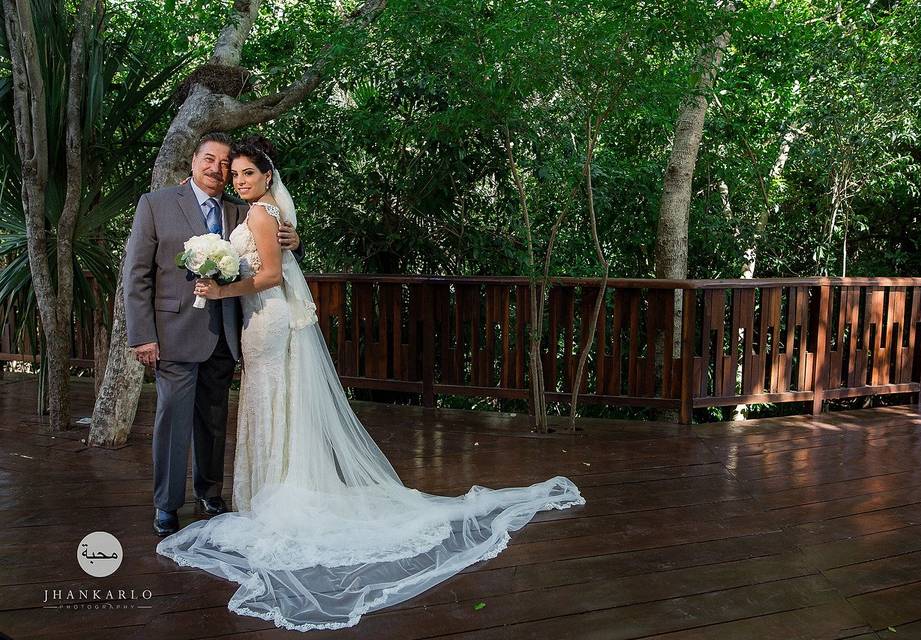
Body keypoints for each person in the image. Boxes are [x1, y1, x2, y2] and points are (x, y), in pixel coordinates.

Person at [156, 136, 585, 631]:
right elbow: (275, 251)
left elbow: (271, 274)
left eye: (247, 173)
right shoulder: (263, 213)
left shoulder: (257, 214)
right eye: (235, 175)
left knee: (271, 397)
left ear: (268, 176)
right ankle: (274, 484)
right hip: (260, 320)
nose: (239, 180)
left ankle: (273, 491)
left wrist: (221, 286)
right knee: (274, 399)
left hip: (266, 318)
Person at [123, 132, 303, 537]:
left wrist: (296, 241)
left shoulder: (241, 211)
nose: (217, 169)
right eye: (210, 159)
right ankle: (167, 505)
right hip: (172, 334)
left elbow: (271, 254)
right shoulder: (155, 205)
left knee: (214, 420)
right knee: (173, 420)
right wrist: (142, 336)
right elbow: (136, 275)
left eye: (225, 164)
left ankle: (210, 493)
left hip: (226, 333)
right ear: (193, 161)